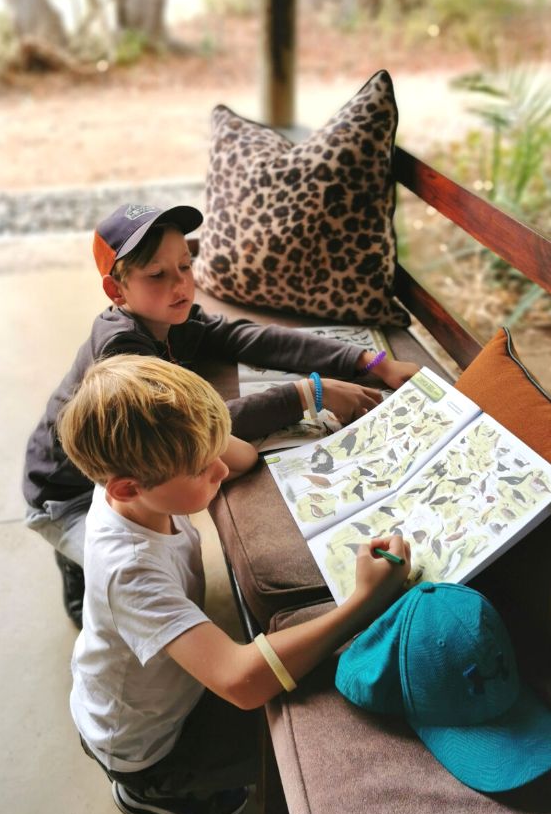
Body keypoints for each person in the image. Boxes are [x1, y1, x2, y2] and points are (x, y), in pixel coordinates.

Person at [56, 354, 411, 814]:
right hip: (144, 746)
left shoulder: (130, 484)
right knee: (280, 751)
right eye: (202, 469)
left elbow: (239, 460)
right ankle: (144, 793)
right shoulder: (130, 571)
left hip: (124, 689)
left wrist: (206, 439)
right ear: (127, 488)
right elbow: (242, 681)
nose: (219, 472)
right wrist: (363, 602)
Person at [23, 202, 419, 627]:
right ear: (117, 292)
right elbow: (196, 430)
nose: (180, 284)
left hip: (128, 472)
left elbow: (248, 338)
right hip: (69, 495)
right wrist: (308, 394)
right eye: (157, 275)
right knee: (131, 588)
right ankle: (75, 563)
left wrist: (367, 361)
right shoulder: (123, 353)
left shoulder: (172, 318)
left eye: (185, 266)